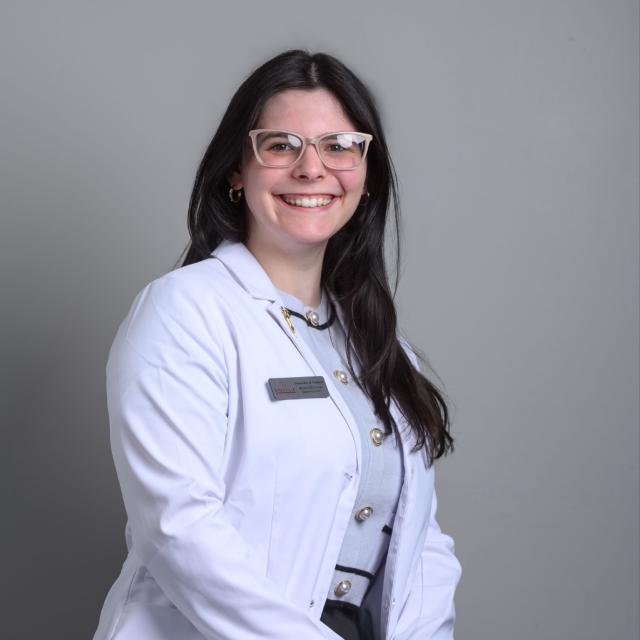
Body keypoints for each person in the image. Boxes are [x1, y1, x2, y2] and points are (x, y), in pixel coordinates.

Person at [92, 49, 462, 640]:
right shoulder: (185, 310)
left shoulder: (378, 343)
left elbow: (422, 539)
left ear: (366, 175)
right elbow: (179, 526)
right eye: (281, 144)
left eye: (339, 145)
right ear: (236, 170)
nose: (312, 169)